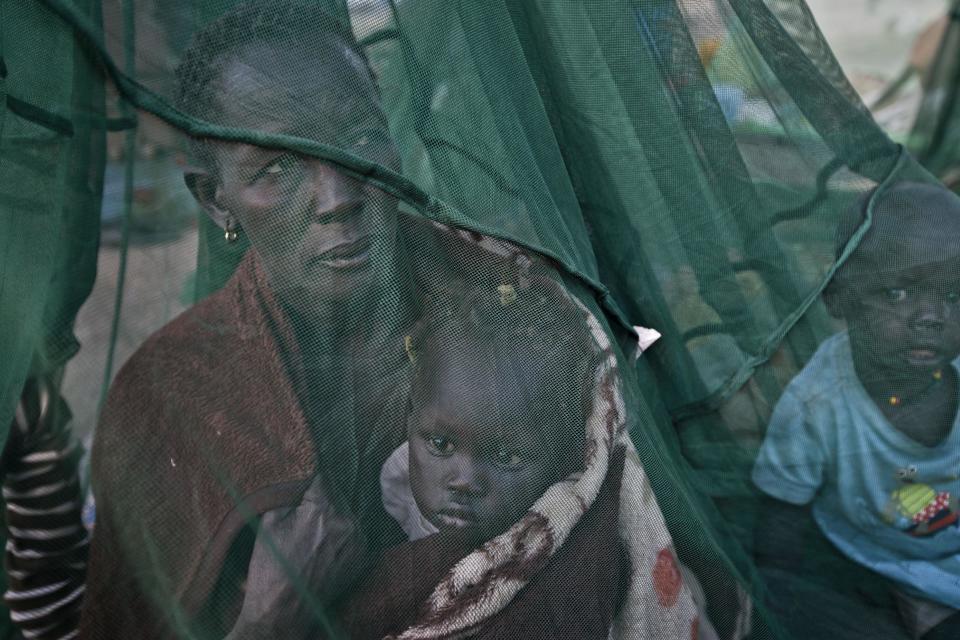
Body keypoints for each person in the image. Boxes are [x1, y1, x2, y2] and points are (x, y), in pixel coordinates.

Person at [80, 3, 416, 638]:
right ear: (215, 201)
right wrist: (269, 620)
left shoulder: (489, 298)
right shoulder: (163, 401)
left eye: (357, 137)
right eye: (278, 168)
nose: (339, 198)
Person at [339, 277, 711, 639]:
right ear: (410, 419)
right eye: (440, 444)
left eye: (506, 456)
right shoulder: (390, 485)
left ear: (563, 455)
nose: (465, 480)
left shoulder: (572, 553)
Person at [753, 181, 960, 639]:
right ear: (838, 295)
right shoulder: (816, 404)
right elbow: (780, 520)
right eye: (897, 294)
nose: (931, 317)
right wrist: (772, 592)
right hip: (897, 567)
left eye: (952, 296)